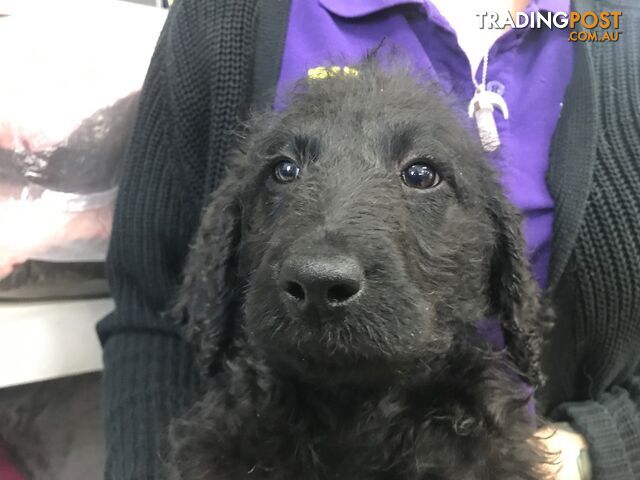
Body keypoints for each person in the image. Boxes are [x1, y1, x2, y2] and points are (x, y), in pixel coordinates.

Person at [97, 0, 640, 479]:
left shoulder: (621, 27)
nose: (325, 262)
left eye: (421, 175)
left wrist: (594, 449)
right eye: (284, 172)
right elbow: (152, 313)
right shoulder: (225, 13)